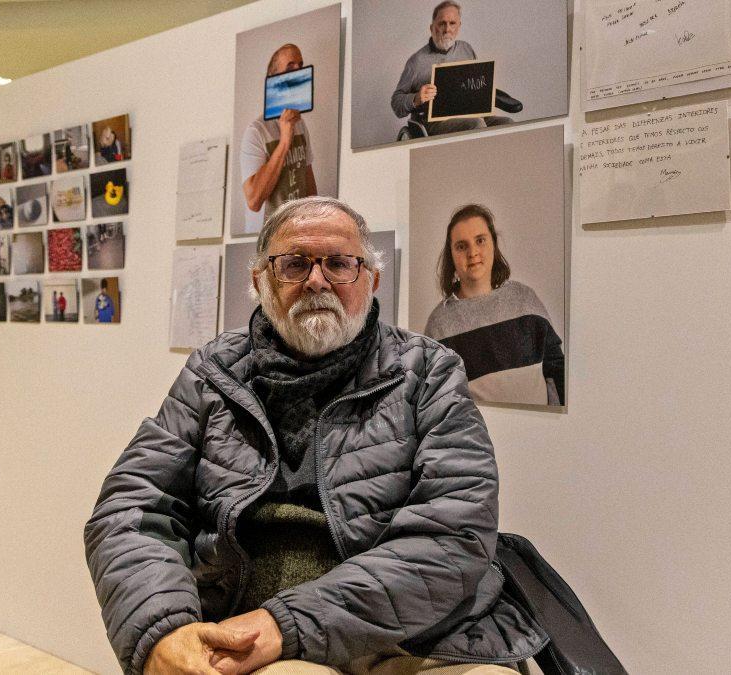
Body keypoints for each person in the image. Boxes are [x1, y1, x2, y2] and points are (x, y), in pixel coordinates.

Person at [84, 197, 545, 675]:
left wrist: (287, 623)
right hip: (247, 633)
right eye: (295, 264)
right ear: (260, 279)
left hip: (415, 636)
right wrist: (163, 631)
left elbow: (455, 533)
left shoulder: (429, 372)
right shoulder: (212, 373)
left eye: (340, 263)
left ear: (372, 280)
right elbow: (130, 511)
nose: (317, 280)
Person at [424, 204, 564, 406]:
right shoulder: (439, 324)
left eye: (480, 240)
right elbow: (437, 400)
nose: (473, 252)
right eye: (462, 246)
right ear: (451, 255)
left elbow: (556, 368)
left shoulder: (525, 299)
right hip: (478, 436)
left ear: (493, 244)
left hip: (541, 432)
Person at [390, 1, 511, 138]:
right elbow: (396, 103)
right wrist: (416, 98)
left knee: (507, 124)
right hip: (433, 122)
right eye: (442, 23)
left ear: (459, 26)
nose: (447, 29)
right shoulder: (417, 61)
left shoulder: (466, 49)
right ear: (432, 27)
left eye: (452, 23)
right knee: (476, 125)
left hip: (469, 114)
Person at [240, 43, 318, 233]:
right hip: (270, 240)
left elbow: (310, 190)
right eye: (290, 67)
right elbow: (254, 200)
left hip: (298, 236)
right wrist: (284, 142)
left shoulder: (301, 125)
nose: (298, 72)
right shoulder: (256, 131)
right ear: (273, 79)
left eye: (301, 65)